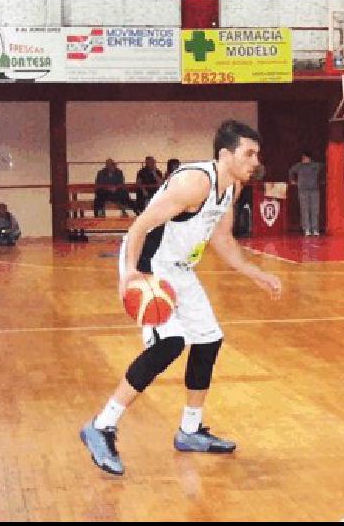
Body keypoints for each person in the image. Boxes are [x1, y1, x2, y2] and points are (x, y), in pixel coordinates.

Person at [79, 120, 282, 476]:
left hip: (181, 270)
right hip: (149, 266)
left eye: (256, 155)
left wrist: (255, 272)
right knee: (170, 343)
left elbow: (222, 238)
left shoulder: (231, 187)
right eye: (248, 154)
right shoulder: (194, 182)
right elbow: (140, 227)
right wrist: (129, 275)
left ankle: (190, 430)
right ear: (225, 154)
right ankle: (101, 425)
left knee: (209, 339)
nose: (255, 162)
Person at [289, 151, 323, 236]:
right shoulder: (299, 166)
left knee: (314, 210)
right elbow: (291, 171)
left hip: (314, 190)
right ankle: (306, 229)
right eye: (303, 158)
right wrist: (292, 180)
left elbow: (324, 169)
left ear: (309, 158)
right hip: (303, 190)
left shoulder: (315, 165)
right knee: (304, 210)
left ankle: (315, 229)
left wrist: (322, 181)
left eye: (305, 158)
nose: (304, 159)